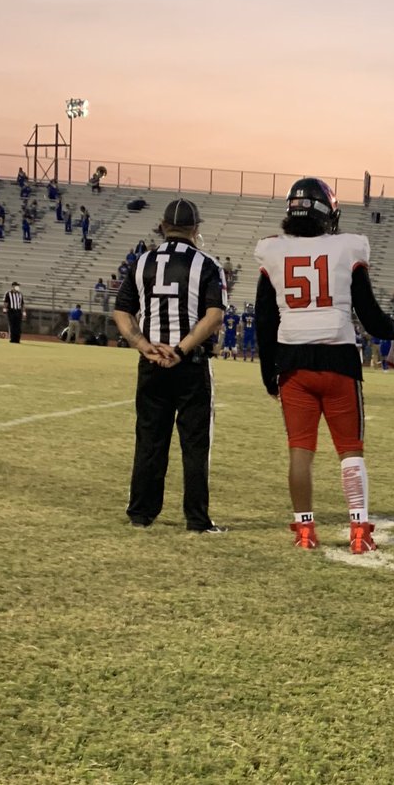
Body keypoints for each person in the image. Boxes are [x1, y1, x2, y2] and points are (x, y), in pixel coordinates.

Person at [254, 178, 394, 553]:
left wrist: (269, 374)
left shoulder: (273, 251)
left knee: (300, 451)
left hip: (293, 361)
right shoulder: (347, 247)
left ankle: (305, 532)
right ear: (329, 214)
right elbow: (370, 316)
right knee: (350, 450)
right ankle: (358, 532)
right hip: (338, 358)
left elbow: (264, 321)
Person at [112, 198, 228, 534]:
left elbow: (121, 311)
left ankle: (141, 513)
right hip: (189, 363)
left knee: (149, 437)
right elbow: (215, 315)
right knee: (194, 443)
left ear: (163, 226)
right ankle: (196, 519)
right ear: (196, 229)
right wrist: (180, 349)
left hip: (151, 363)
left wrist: (142, 344)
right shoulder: (206, 264)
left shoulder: (142, 261)